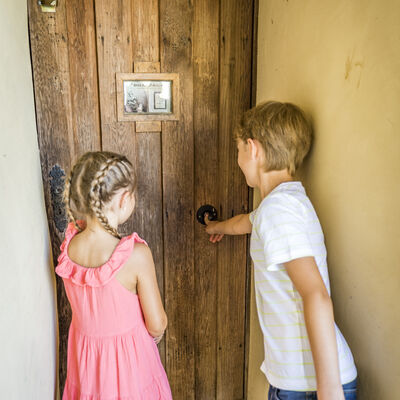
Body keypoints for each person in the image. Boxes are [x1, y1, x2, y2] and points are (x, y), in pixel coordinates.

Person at [205, 101, 357, 400]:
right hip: (302, 379)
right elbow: (247, 222)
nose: (238, 159)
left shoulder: (278, 210)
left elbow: (315, 294)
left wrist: (328, 389)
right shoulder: (282, 203)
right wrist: (217, 227)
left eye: (238, 149)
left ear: (253, 148)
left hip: (310, 385)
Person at [56, 151, 172, 399]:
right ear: (124, 200)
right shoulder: (135, 256)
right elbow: (157, 322)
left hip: (86, 364)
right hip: (129, 365)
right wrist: (157, 335)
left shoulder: (70, 247)